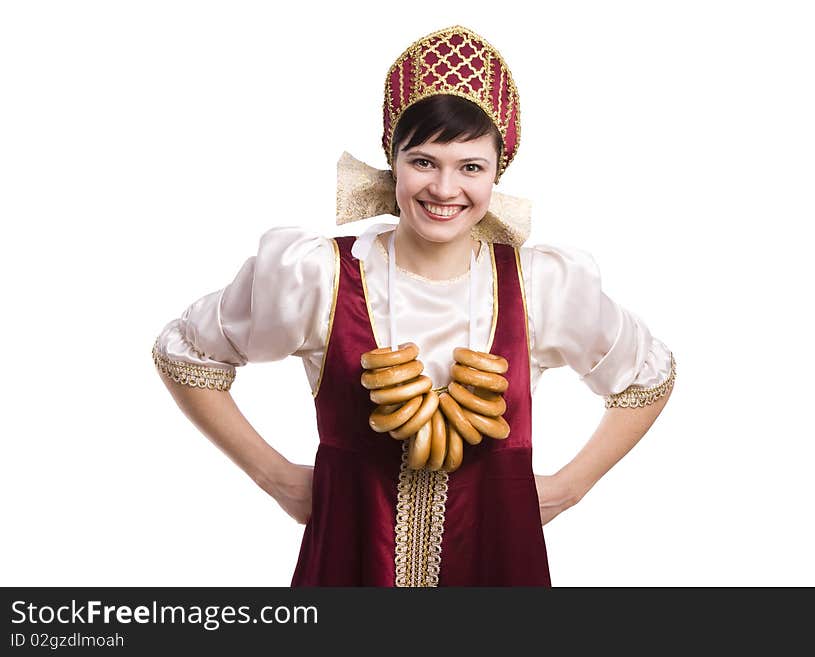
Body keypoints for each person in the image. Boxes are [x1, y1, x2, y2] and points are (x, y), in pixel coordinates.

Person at [152, 25, 676, 586]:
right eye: (423, 161)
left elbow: (645, 379)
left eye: (470, 166)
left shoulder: (541, 284)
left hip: (499, 564)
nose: (445, 188)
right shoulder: (320, 275)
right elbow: (187, 355)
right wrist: (276, 478)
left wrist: (569, 488)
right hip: (350, 562)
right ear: (393, 160)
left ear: (498, 172)